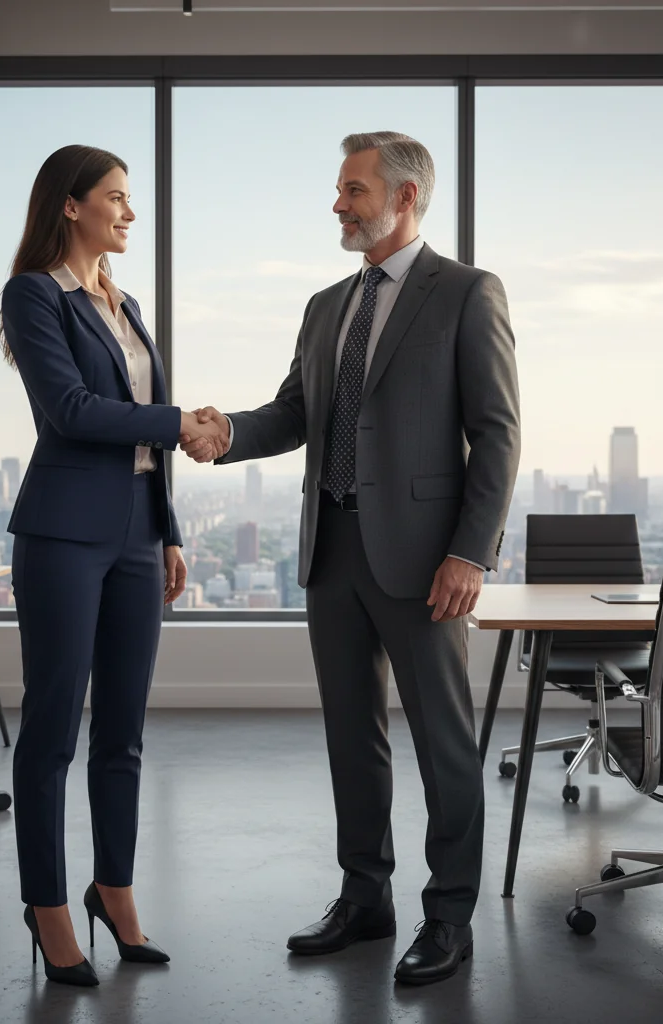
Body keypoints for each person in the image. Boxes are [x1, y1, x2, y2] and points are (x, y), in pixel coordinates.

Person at [183, 131, 521, 986]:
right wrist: (227, 436)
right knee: (351, 739)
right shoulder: (326, 304)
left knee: (444, 744)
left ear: (405, 197)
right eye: (340, 189)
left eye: (354, 190)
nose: (338, 203)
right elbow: (294, 413)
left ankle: (449, 916)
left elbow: (498, 434)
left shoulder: (467, 293)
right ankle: (365, 897)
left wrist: (469, 555)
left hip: (425, 562)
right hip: (331, 551)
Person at [0, 145, 228, 986]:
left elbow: (136, 431)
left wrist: (165, 529)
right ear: (71, 205)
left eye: (132, 200)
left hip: (134, 532)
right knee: (54, 728)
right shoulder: (35, 294)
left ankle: (114, 892)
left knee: (123, 732)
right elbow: (69, 410)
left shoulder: (123, 302)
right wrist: (180, 422)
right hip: (64, 533)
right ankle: (48, 907)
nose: (129, 213)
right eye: (117, 199)